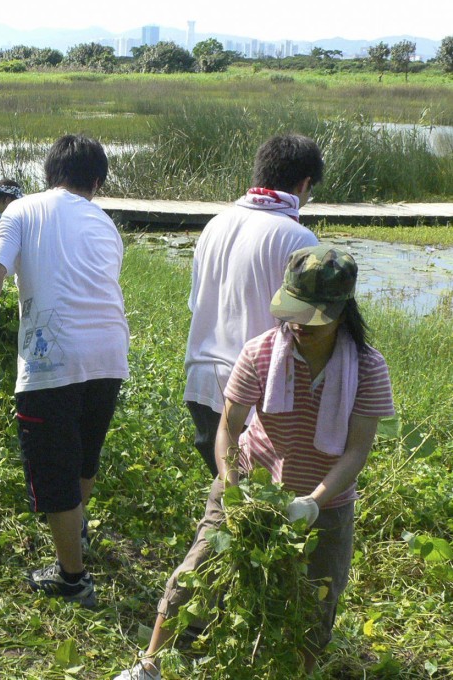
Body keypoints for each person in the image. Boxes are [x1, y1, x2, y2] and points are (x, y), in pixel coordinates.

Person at [115, 246, 395, 680]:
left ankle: (298, 672)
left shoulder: (368, 368)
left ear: (341, 312)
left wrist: (315, 502)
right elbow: (229, 425)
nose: (298, 325)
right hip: (250, 486)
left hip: (328, 506)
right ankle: (148, 666)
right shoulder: (263, 351)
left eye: (311, 317)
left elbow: (357, 450)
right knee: (195, 572)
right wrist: (231, 483)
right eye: (293, 312)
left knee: (315, 599)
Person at [0, 135, 129, 607]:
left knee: (54, 471)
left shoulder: (21, 211)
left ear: (48, 173)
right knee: (83, 455)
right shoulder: (106, 223)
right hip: (110, 353)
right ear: (97, 182)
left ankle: (72, 578)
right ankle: (75, 538)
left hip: (53, 359)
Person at [184, 134, 323, 477]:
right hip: (252, 396)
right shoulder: (297, 238)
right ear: (305, 183)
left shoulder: (215, 224)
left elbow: (195, 304)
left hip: (202, 384)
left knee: (229, 493)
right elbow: (308, 325)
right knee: (255, 506)